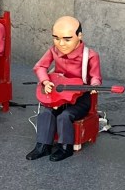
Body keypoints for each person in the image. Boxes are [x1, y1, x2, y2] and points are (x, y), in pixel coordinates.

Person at [26, 16, 102, 162]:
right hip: (58, 96)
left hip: (80, 98)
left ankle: (65, 147)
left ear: (79, 36)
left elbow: (95, 76)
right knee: (46, 113)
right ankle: (43, 146)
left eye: (67, 39)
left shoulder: (90, 56)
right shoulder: (53, 51)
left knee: (65, 116)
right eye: (56, 38)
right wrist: (45, 81)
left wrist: (94, 85)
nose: (61, 44)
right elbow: (40, 66)